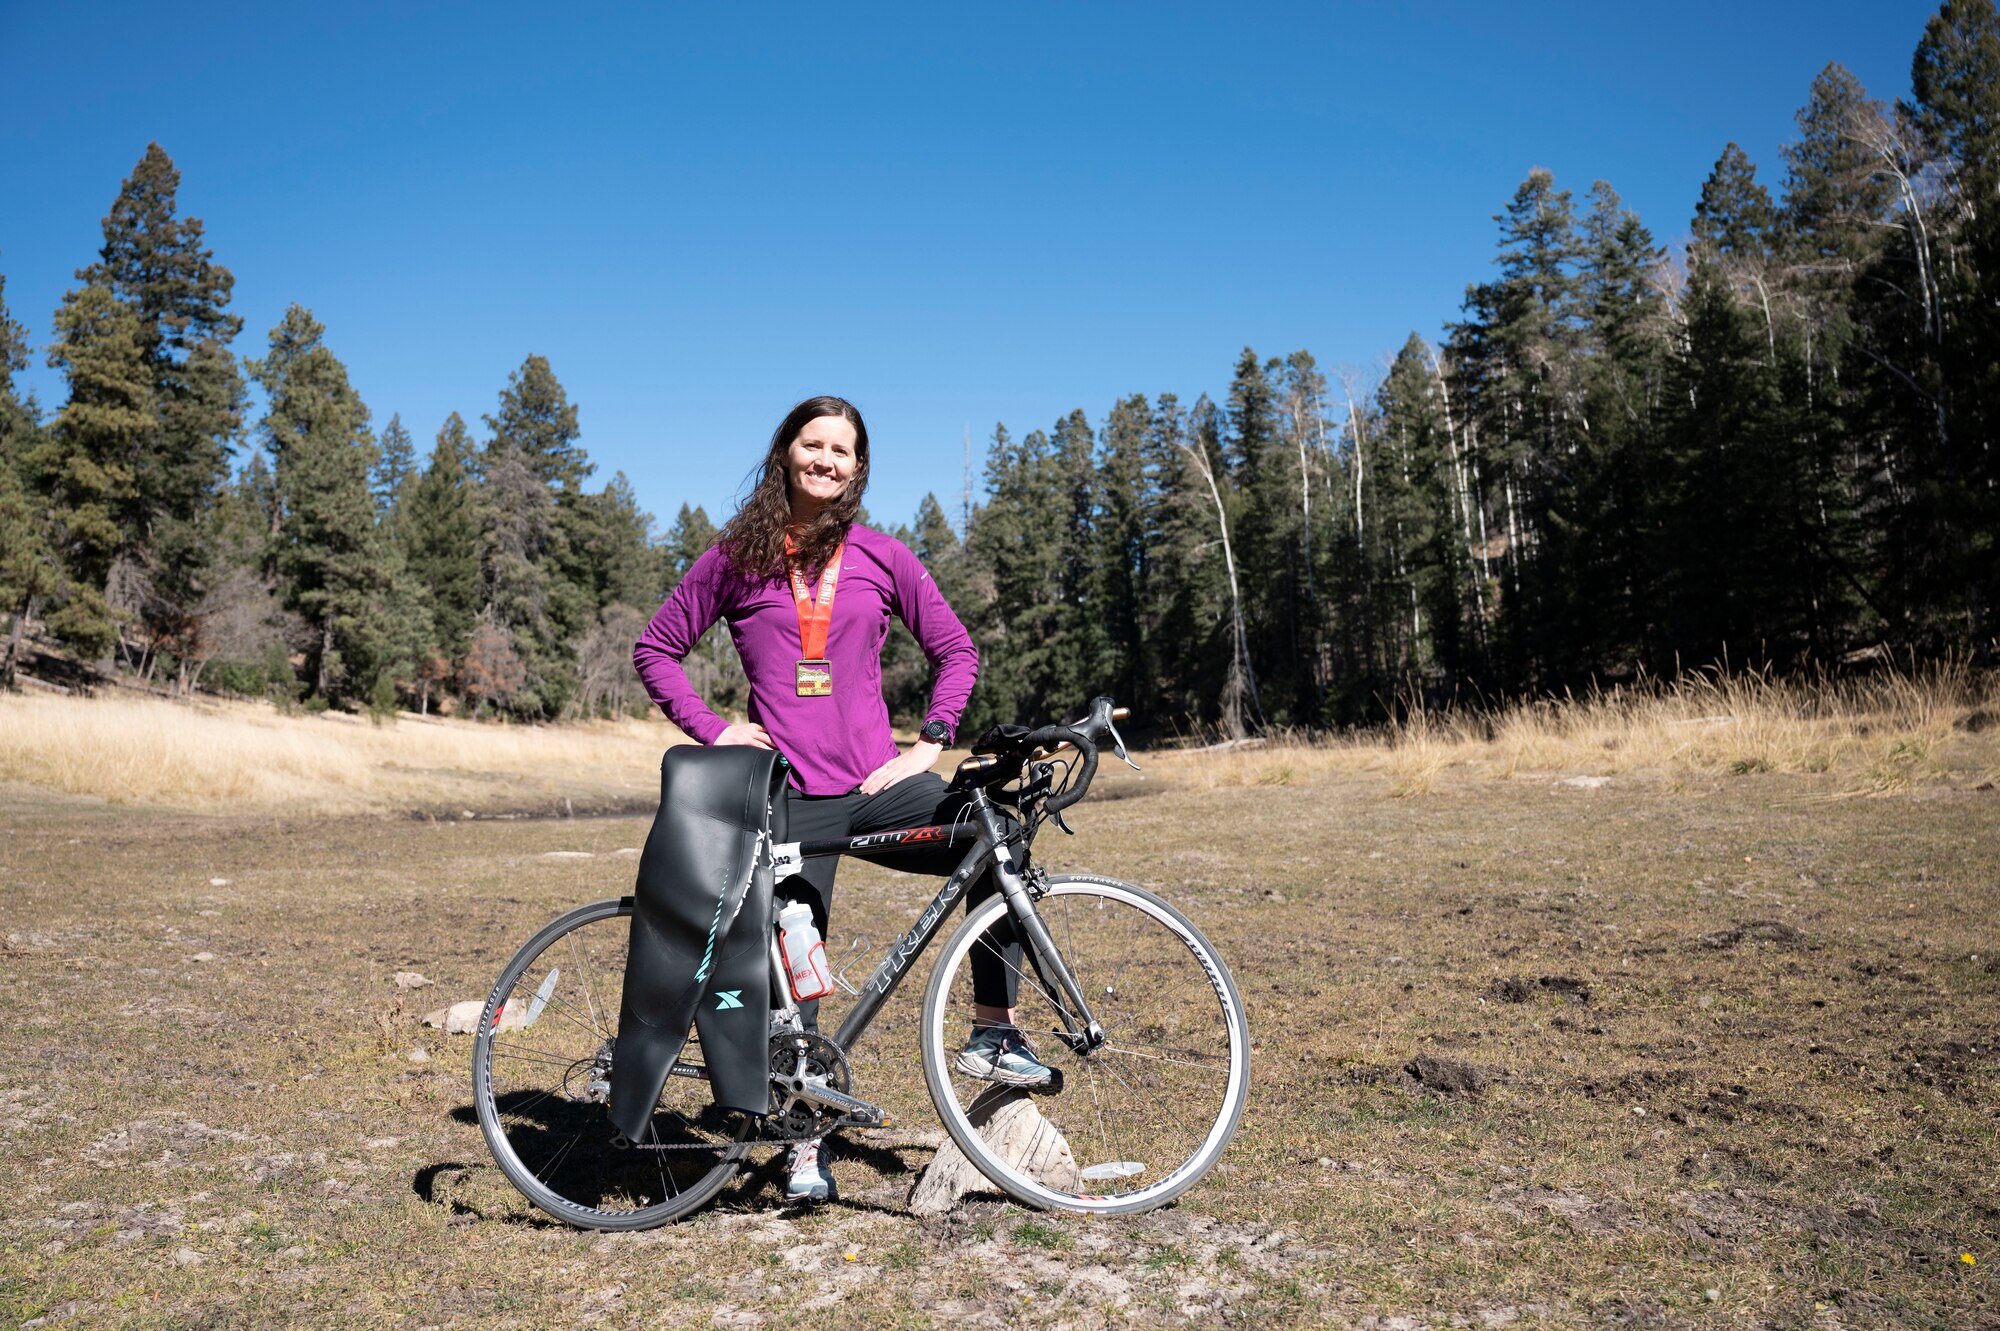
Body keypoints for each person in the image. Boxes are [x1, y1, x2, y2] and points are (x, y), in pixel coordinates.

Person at [632, 395, 1054, 1205]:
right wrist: (715, 728)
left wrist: (927, 744)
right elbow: (656, 648)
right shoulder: (735, 558)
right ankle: (802, 1140)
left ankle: (993, 1032)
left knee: (996, 841)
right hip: (786, 794)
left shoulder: (883, 556)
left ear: (858, 467)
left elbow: (956, 649)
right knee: (800, 967)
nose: (827, 459)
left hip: (878, 786)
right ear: (786, 452)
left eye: (843, 450)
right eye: (813, 443)